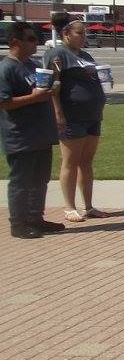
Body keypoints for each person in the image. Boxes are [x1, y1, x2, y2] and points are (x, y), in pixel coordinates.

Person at [0, 21, 65, 239]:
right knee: (21, 182)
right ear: (15, 42)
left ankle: (36, 218)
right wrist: (34, 97)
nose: (35, 42)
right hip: (20, 135)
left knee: (40, 179)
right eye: (30, 39)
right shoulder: (6, 68)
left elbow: (42, 90)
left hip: (41, 133)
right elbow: (5, 103)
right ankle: (18, 224)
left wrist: (53, 83)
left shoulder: (31, 64)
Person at [44, 20, 107, 221]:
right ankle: (70, 207)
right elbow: (52, 86)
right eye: (79, 33)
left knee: (86, 161)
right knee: (70, 161)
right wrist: (58, 113)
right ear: (66, 34)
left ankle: (89, 206)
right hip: (72, 117)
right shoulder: (58, 54)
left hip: (92, 115)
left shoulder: (86, 56)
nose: (83, 37)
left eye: (84, 33)